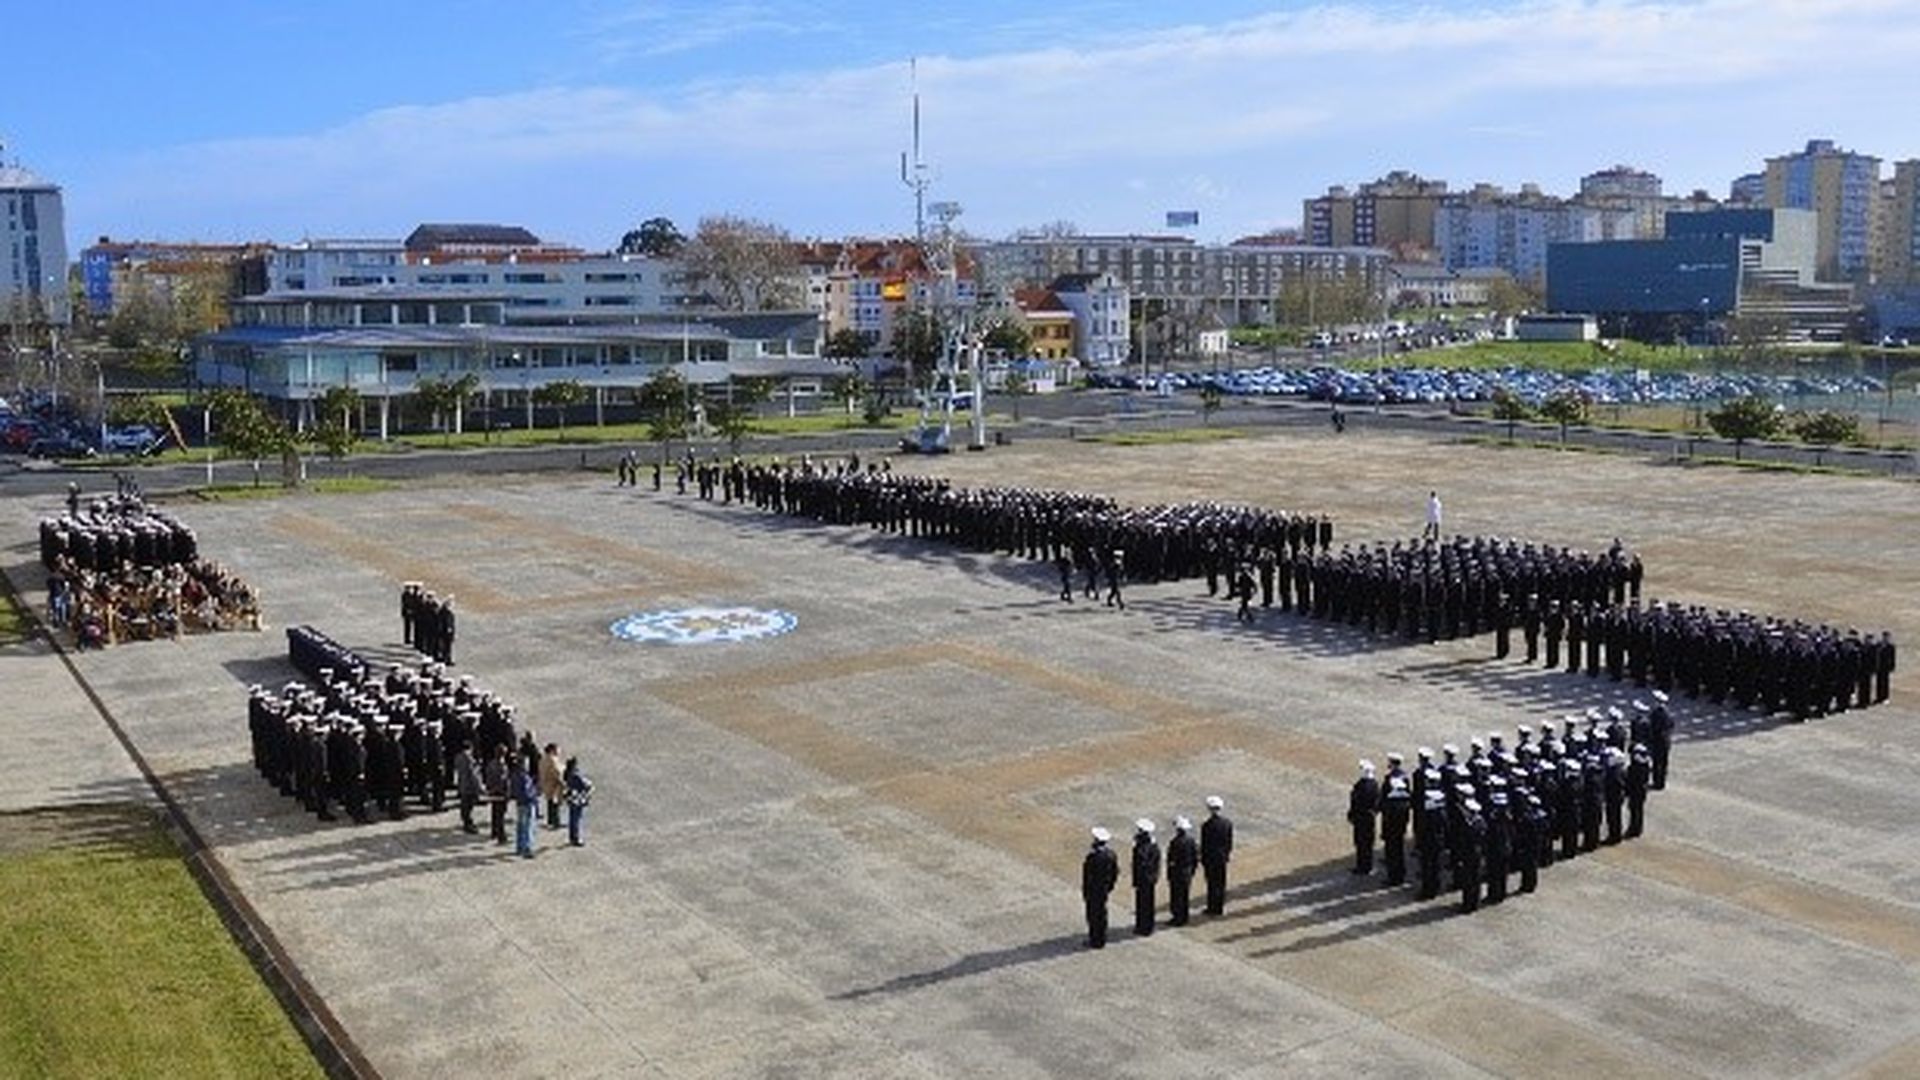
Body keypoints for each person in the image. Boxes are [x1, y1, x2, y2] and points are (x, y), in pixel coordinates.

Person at [1082, 827, 1119, 949]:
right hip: (1104, 890)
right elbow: (1115, 873)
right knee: (1102, 914)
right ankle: (1102, 937)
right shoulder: (1111, 855)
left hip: (1093, 891)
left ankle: (1095, 940)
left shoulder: (1093, 857)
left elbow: (1088, 876)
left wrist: (1085, 891)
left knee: (1093, 915)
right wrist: (1110, 886)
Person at [1200, 795, 1233, 916]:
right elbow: (1229, 842)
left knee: (1211, 883)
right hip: (1222, 857)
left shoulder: (1207, 826)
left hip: (1210, 859)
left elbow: (1204, 845)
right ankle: (1219, 906)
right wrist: (1226, 854)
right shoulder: (1227, 824)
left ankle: (1212, 906)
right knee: (1221, 882)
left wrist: (1203, 859)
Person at [1165, 816, 1198, 927]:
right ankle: (1184, 916)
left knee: (1176, 896)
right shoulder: (1191, 841)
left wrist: (1169, 872)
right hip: (1187, 871)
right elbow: (1195, 857)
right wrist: (1192, 870)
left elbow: (1172, 860)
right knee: (1184, 895)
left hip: (1177, 872)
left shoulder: (1175, 842)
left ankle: (1177, 917)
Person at [1348, 760, 1379, 875]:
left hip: (1360, 817)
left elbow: (1354, 801)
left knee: (1360, 842)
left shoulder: (1360, 785)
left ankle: (1361, 866)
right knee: (1368, 842)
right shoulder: (1374, 784)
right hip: (1369, 818)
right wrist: (1374, 812)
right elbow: (1377, 802)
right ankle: (1368, 865)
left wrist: (1351, 814)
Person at [1131, 819, 1159, 936]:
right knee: (1149, 902)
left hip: (1143, 879)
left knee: (1142, 903)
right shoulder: (1154, 846)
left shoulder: (1141, 847)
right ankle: (1149, 925)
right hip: (1151, 878)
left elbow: (1139, 863)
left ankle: (1143, 927)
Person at [511, 757, 539, 858]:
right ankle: (527, 848)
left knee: (520, 825)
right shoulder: (525, 777)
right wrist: (535, 794)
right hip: (528, 803)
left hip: (519, 802)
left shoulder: (514, 775)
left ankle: (519, 847)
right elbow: (528, 792)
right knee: (529, 826)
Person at [563, 756, 593, 846]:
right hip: (578, 799)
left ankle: (572, 836)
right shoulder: (576, 775)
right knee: (577, 818)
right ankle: (576, 837)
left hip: (571, 798)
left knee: (572, 818)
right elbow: (586, 785)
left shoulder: (567, 773)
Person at [484, 744, 510, 845]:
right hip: (500, 792)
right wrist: (507, 792)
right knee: (501, 814)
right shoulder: (501, 765)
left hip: (492, 790)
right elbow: (504, 780)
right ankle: (501, 835)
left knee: (495, 812)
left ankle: (494, 831)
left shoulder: (491, 764)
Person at [454, 742, 481, 834]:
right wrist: (478, 787)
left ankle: (466, 822)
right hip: (470, 785)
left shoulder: (458, 757)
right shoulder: (469, 759)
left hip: (462, 784)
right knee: (469, 805)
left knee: (464, 804)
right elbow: (473, 774)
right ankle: (468, 824)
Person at [539, 742, 566, 829]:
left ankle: (551, 820)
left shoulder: (543, 759)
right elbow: (557, 772)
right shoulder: (552, 760)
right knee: (555, 804)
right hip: (553, 785)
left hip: (546, 783)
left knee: (550, 803)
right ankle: (555, 822)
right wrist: (563, 782)